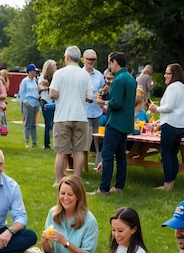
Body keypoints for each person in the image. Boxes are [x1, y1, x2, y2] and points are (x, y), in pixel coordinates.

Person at [20, 176, 98, 253]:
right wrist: (45, 245)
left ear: (78, 196)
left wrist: (65, 242)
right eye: (62, 193)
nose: (65, 198)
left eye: (70, 195)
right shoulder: (53, 213)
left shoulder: (89, 220)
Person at [89, 52, 136, 195]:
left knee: (107, 156)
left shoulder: (118, 79)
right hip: (126, 123)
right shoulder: (130, 78)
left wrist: (102, 102)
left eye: (110, 63)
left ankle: (103, 189)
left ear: (115, 62)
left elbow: (116, 103)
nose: (109, 66)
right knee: (121, 156)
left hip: (115, 123)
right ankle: (119, 187)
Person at [50, 45, 93, 183]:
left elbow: (53, 94)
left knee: (61, 152)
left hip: (62, 116)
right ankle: (77, 179)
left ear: (67, 57)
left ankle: (58, 180)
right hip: (80, 116)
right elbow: (90, 97)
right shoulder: (85, 75)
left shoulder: (59, 73)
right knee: (79, 151)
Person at [148, 63, 184, 191]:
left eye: (168, 73)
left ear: (174, 74)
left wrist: (156, 108)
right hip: (180, 126)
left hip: (170, 126)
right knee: (173, 154)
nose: (165, 75)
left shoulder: (172, 87)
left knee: (166, 154)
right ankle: (171, 183)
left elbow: (169, 107)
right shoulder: (183, 87)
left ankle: (167, 185)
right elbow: (177, 108)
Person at [82, 49, 105, 166]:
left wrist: (102, 93)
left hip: (97, 112)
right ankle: (81, 167)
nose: (91, 61)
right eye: (89, 59)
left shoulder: (99, 75)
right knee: (83, 142)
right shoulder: (79, 74)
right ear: (83, 60)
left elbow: (103, 91)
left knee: (99, 141)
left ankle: (98, 166)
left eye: (93, 59)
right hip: (84, 112)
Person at [19, 63, 40, 148]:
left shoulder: (35, 80)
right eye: (34, 71)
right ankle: (27, 141)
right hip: (28, 102)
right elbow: (21, 92)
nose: (35, 73)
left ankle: (34, 142)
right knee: (28, 123)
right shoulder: (25, 81)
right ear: (30, 72)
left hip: (35, 102)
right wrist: (24, 101)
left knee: (34, 123)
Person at [38, 59, 57, 150]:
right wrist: (49, 87)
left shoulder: (56, 76)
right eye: (54, 66)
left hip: (53, 102)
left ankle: (54, 143)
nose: (56, 67)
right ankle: (46, 144)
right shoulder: (43, 77)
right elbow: (41, 87)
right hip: (45, 101)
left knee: (54, 123)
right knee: (48, 123)